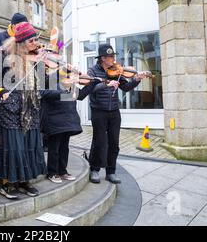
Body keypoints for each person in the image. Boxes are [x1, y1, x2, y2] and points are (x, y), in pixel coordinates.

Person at [0, 22, 46, 199]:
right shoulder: (3, 56)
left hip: (30, 109)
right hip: (10, 109)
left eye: (36, 40)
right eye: (32, 41)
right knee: (12, 146)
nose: (35, 44)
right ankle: (7, 183)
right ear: (20, 42)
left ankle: (24, 181)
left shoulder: (34, 58)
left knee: (29, 145)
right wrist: (1, 91)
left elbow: (42, 82)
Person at [87, 43, 148, 184]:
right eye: (110, 57)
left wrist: (136, 79)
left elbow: (126, 87)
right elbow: (90, 88)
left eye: (113, 56)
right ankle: (95, 169)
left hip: (114, 111)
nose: (113, 59)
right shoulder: (92, 71)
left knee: (114, 143)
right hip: (99, 111)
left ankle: (111, 171)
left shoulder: (117, 71)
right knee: (99, 141)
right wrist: (105, 84)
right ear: (102, 58)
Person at [41, 67, 101, 184]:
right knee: (54, 148)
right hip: (54, 119)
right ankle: (52, 172)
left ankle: (62, 171)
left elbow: (81, 95)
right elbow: (45, 94)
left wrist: (93, 83)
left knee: (64, 147)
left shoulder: (70, 86)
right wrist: (63, 85)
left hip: (67, 120)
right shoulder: (53, 82)